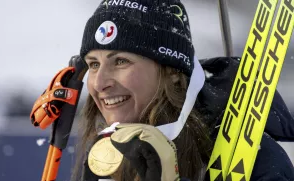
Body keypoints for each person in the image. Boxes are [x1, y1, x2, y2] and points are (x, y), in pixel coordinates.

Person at [69, 0, 294, 180]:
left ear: (172, 71)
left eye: (120, 61)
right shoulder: (107, 154)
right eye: (94, 64)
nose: (99, 84)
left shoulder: (251, 157)